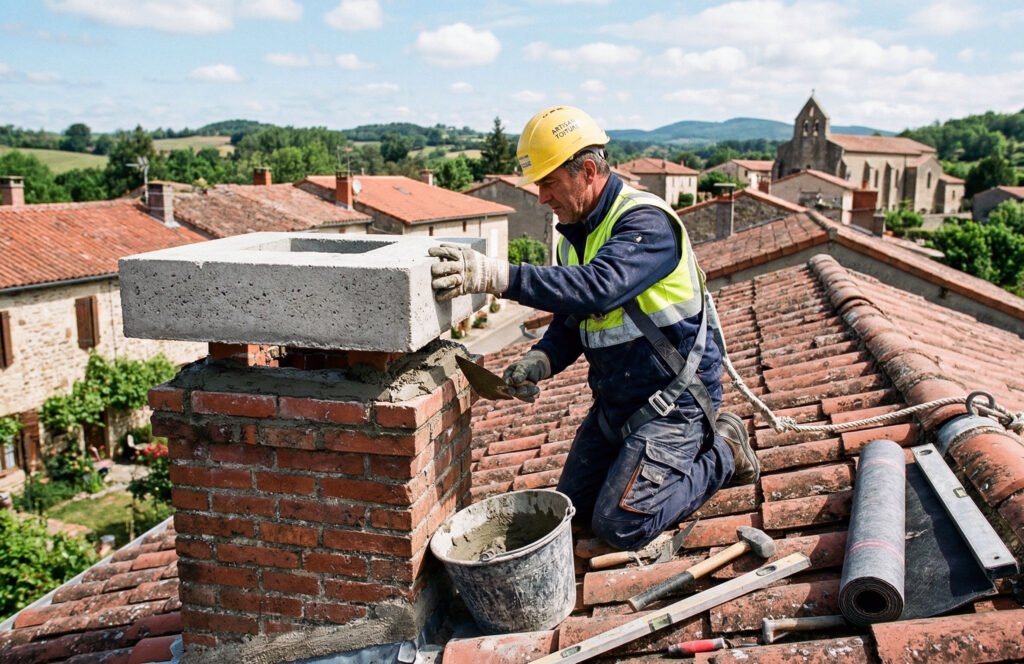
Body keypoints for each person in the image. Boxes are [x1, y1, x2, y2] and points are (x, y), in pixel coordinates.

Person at [429, 105, 758, 551]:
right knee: (571, 513)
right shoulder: (575, 236)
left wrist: (494, 276)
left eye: (548, 182)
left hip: (675, 406)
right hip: (617, 407)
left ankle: (724, 448)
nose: (542, 197)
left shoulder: (646, 223)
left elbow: (599, 289)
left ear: (587, 170)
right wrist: (541, 359)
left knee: (621, 525)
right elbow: (575, 317)